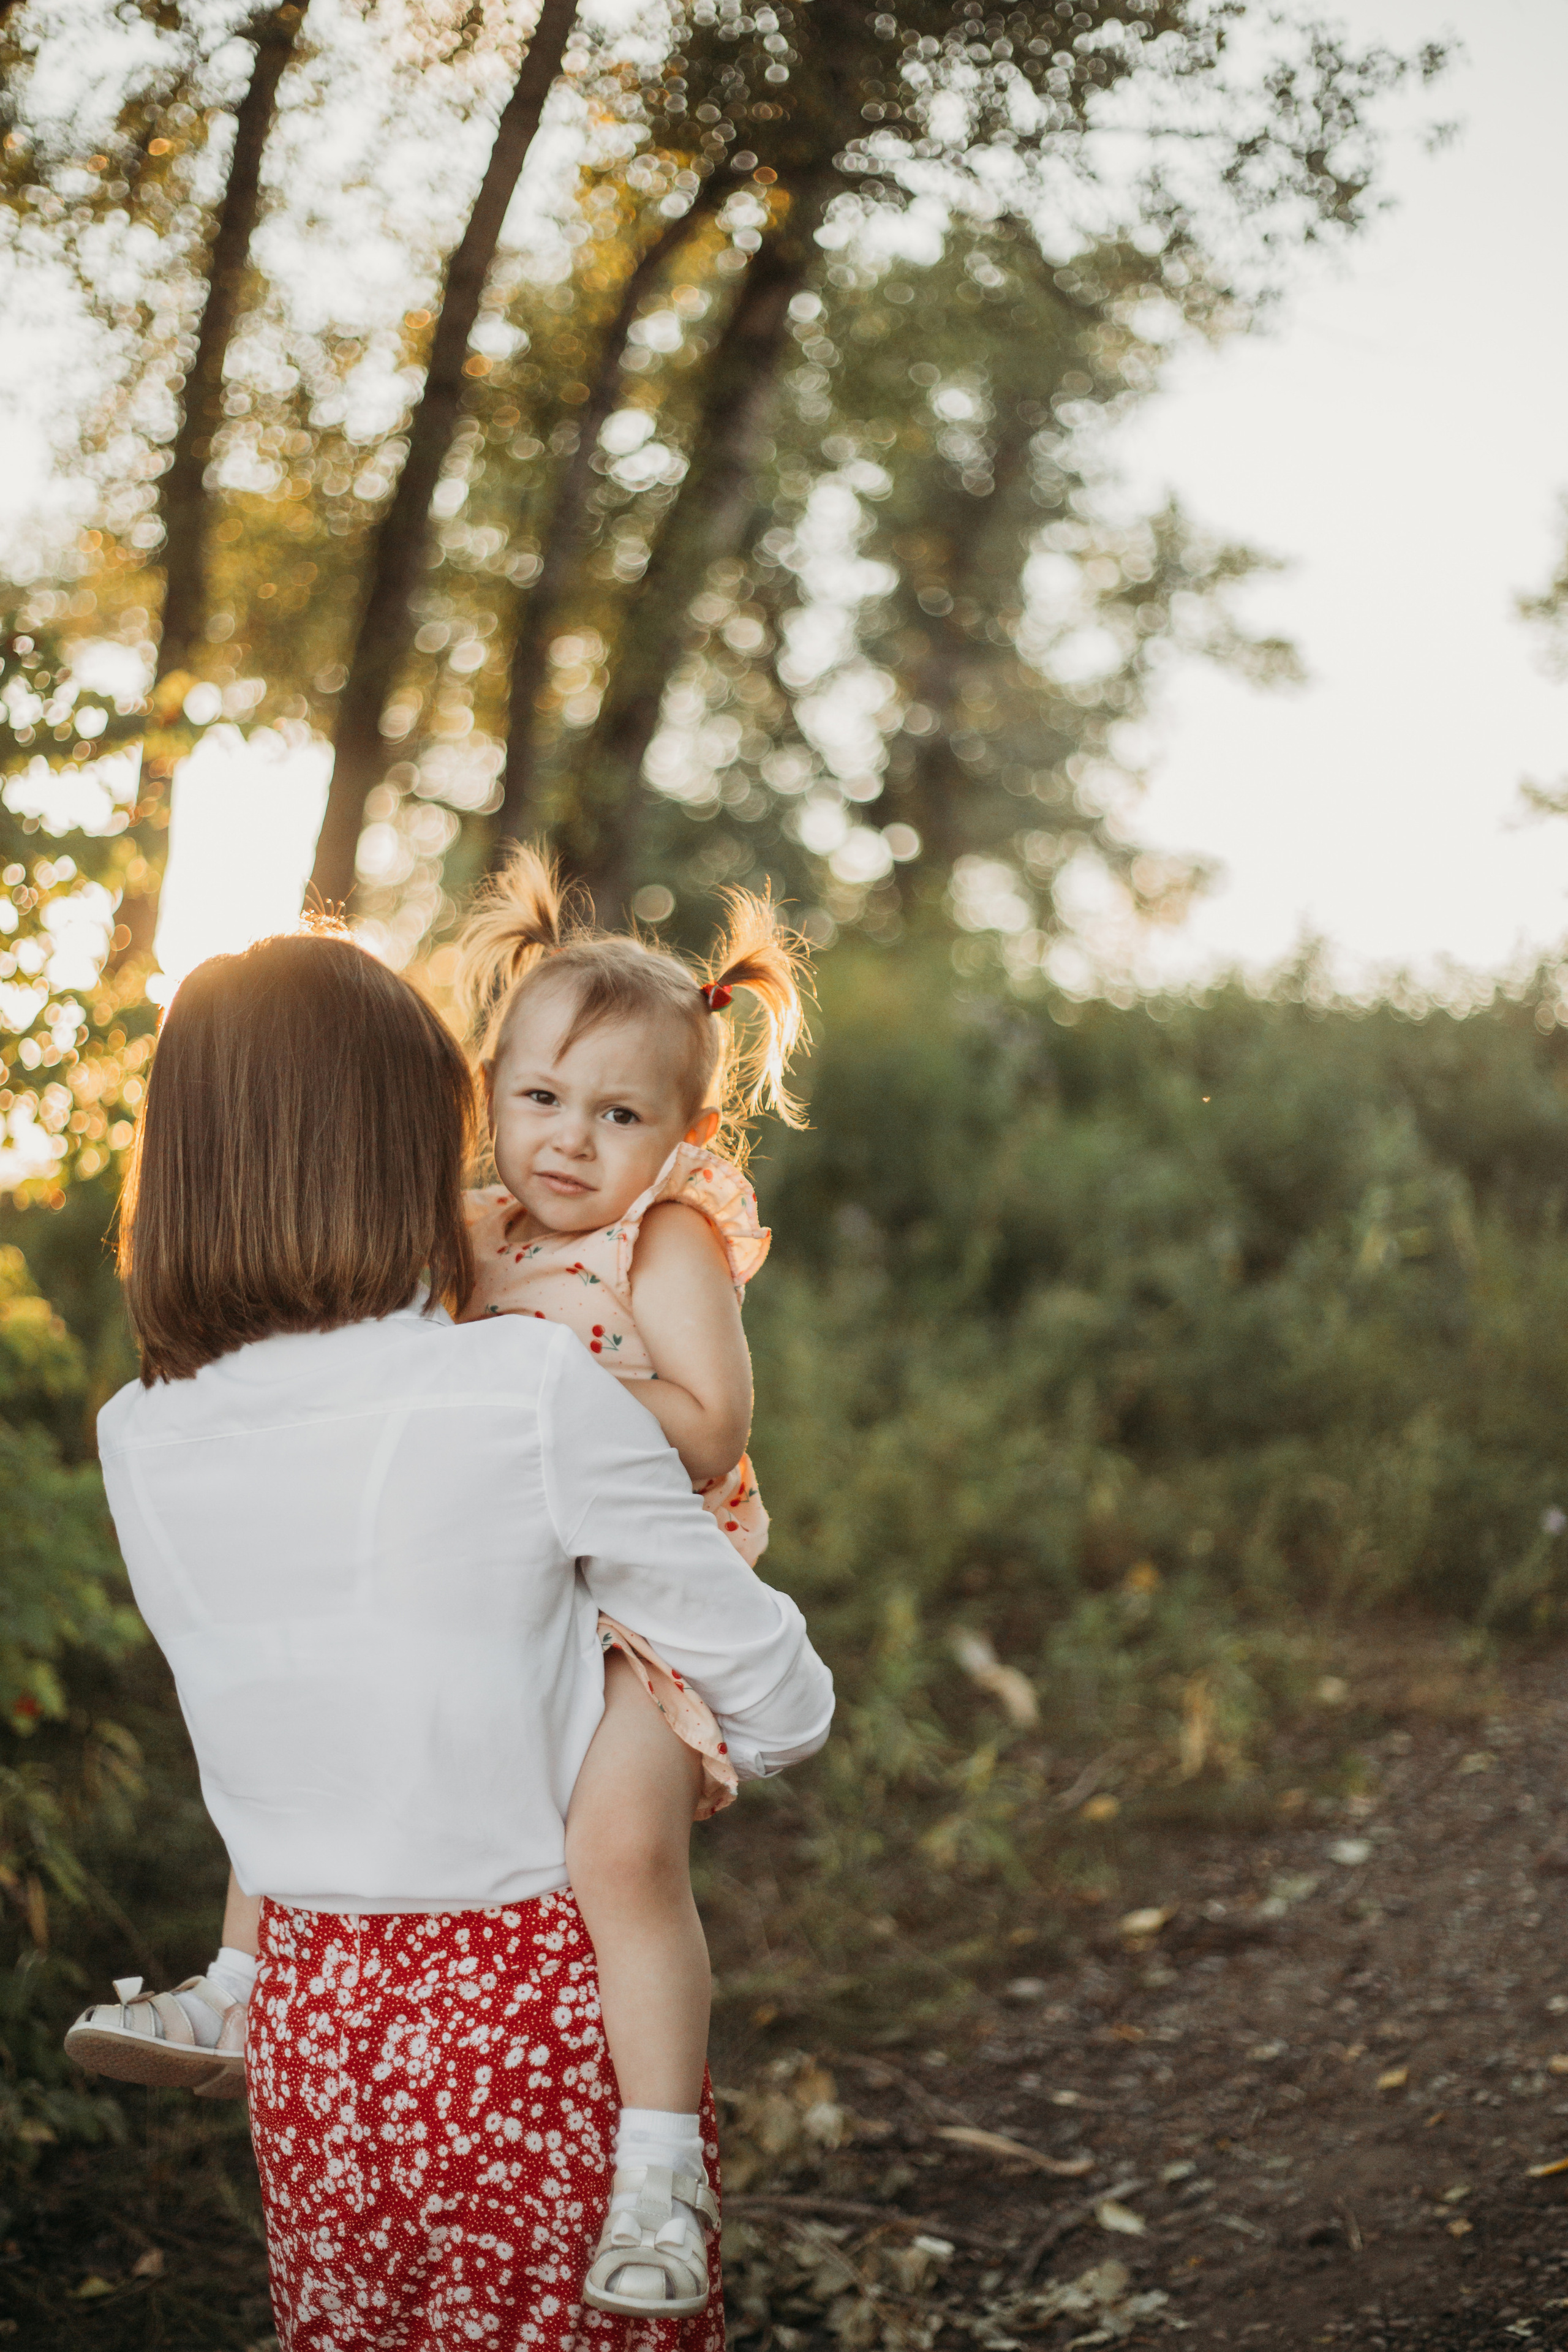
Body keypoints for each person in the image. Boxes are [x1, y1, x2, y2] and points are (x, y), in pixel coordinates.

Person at [67, 927, 834, 2349]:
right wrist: (628, 1706)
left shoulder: (135, 1434)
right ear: (418, 1131)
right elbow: (783, 1701)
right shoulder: (524, 1385)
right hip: (531, 2009)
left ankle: (210, 1997)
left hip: (307, 2022)